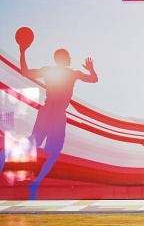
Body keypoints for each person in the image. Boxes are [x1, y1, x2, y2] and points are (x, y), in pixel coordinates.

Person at [0, 44, 98, 200]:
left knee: (35, 143)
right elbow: (94, 79)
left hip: (47, 112)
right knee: (54, 150)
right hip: (56, 114)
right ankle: (36, 181)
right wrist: (91, 69)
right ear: (63, 58)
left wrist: (22, 51)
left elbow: (25, 72)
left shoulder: (50, 71)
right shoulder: (72, 74)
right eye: (68, 56)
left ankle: (7, 155)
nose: (70, 58)